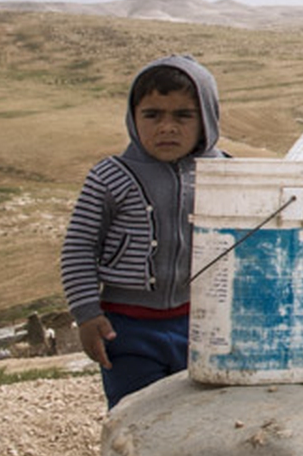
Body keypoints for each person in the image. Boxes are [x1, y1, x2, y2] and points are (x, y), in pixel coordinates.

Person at [60, 55, 223, 408]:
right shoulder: (109, 177)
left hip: (202, 324)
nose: (167, 127)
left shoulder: (224, 173)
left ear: (207, 118)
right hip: (126, 330)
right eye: (153, 115)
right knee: (135, 415)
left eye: (183, 115)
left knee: (196, 414)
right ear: (134, 118)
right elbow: (79, 248)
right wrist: (87, 314)